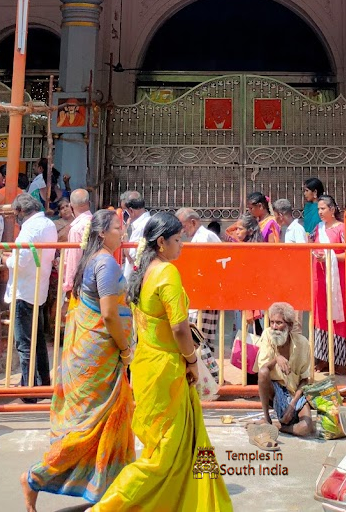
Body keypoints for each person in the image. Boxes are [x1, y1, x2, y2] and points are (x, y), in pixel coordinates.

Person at [92, 212, 232, 512]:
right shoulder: (166, 273)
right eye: (178, 239)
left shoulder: (142, 273)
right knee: (163, 454)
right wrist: (192, 361)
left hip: (147, 365)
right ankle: (107, 507)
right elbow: (180, 328)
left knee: (189, 440)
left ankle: (193, 500)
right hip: (166, 369)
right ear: (161, 242)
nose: (182, 245)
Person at [22, 210, 134, 509]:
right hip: (101, 356)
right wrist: (125, 350)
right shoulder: (106, 264)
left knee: (101, 420)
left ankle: (105, 488)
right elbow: (109, 315)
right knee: (89, 426)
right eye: (116, 229)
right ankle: (36, 476)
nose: (121, 234)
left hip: (87, 354)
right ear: (101, 234)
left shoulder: (89, 261)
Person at [6, 194, 58, 393]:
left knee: (25, 343)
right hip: (38, 287)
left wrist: (6, 261)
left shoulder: (30, 229)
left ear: (20, 211)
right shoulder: (48, 224)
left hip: (24, 290)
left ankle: (28, 389)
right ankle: (42, 383)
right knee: (37, 340)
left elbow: (20, 261)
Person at [257, 301, 314, 436]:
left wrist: (292, 405)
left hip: (295, 392)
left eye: (279, 323)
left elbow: (305, 380)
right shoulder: (267, 335)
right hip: (274, 390)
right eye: (272, 322)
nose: (274, 327)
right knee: (264, 372)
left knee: (306, 428)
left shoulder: (302, 343)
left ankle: (278, 427)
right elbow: (262, 369)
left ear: (290, 326)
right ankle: (267, 418)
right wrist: (277, 359)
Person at [177, 207, 221, 356]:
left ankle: (207, 375)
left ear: (193, 222)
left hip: (206, 294)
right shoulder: (200, 237)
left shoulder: (204, 237)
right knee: (200, 337)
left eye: (183, 226)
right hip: (202, 295)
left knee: (200, 338)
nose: (182, 232)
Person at [313, 194, 346, 374]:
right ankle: (323, 358)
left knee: (339, 317)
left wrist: (329, 257)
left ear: (332, 210)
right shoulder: (318, 229)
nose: (320, 212)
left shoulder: (342, 228)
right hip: (320, 278)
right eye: (318, 209)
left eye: (323, 208)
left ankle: (342, 359)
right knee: (321, 316)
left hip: (339, 280)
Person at [62, 189, 93, 311]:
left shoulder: (77, 228)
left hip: (81, 280)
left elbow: (74, 259)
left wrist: (69, 284)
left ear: (71, 206)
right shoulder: (96, 222)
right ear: (89, 203)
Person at [120, 190, 150, 280]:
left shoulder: (141, 226)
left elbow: (131, 256)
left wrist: (125, 233)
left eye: (124, 211)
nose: (123, 214)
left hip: (136, 278)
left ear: (131, 211)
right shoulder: (141, 223)